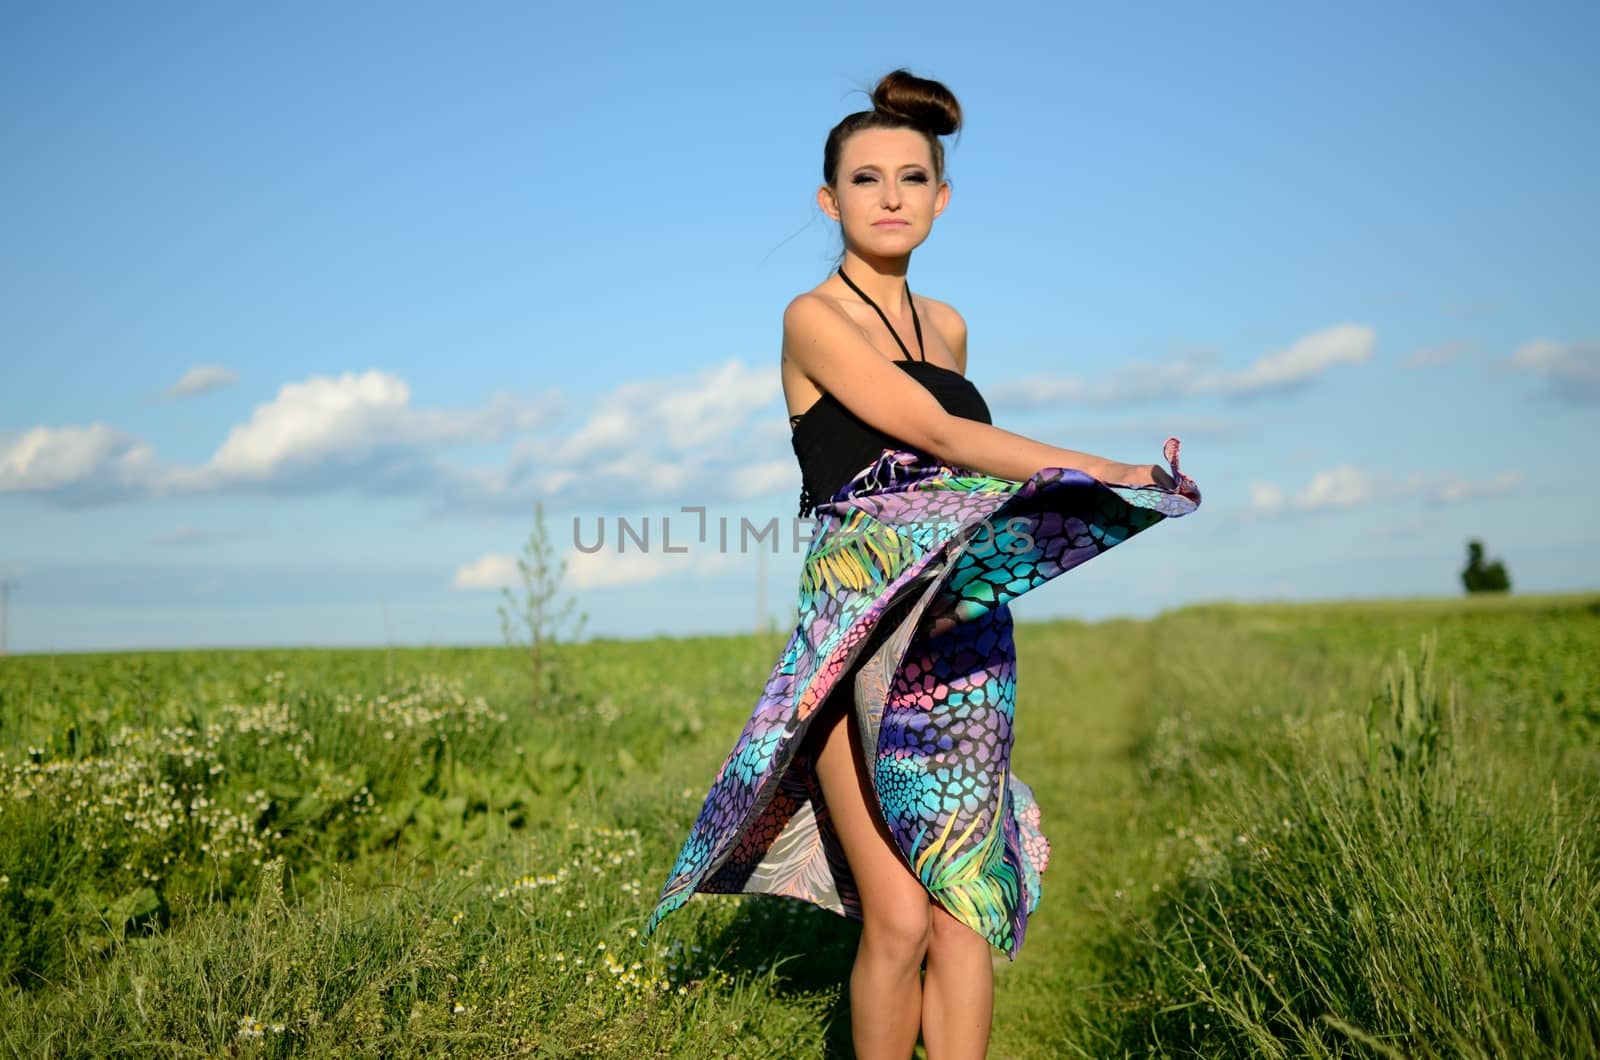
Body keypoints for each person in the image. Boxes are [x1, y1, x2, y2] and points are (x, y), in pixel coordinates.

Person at [643, 69, 1201, 1060]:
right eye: (866, 179)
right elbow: (930, 429)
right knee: (896, 921)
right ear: (830, 200)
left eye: (911, 178)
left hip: (960, 634)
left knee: (963, 906)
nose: (890, 197)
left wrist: (1087, 503)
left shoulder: (947, 326)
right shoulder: (811, 317)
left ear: (941, 199)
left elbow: (963, 484)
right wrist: (1104, 468)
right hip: (860, 636)